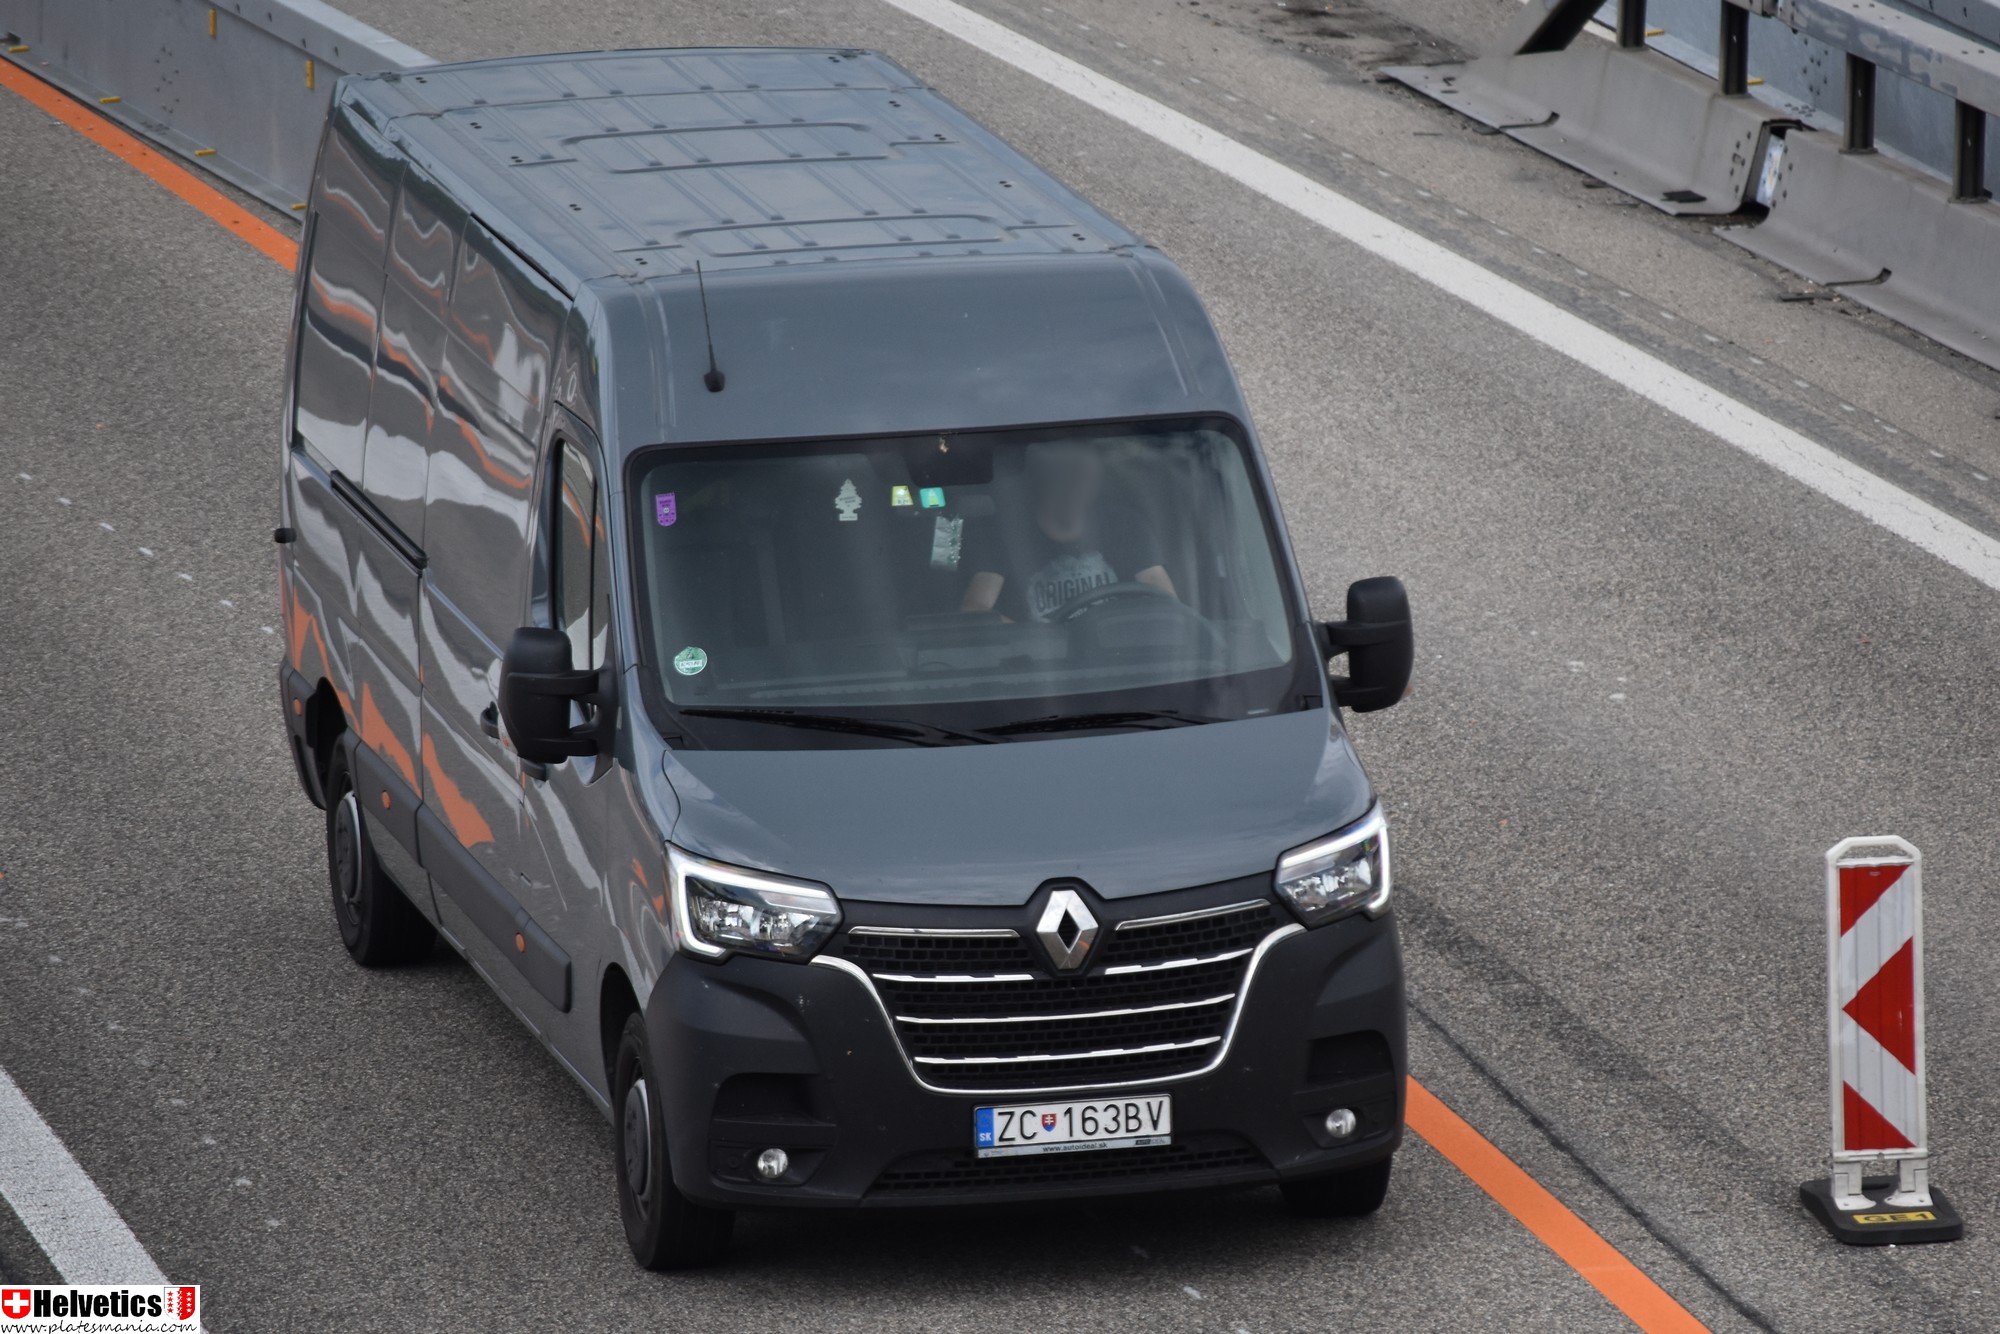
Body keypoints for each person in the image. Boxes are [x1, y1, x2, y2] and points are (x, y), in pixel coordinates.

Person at [960, 441, 1176, 622]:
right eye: (1066, 476)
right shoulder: (1005, 534)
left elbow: (1164, 601)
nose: (1074, 486)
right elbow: (976, 609)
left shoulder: (1126, 526)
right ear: (1045, 481)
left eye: (1081, 477)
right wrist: (1035, 640)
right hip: (1039, 666)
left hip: (1114, 662)